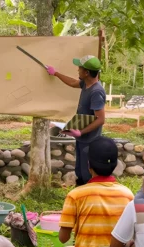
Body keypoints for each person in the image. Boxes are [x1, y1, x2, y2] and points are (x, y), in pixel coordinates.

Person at [37, 137, 134, 247]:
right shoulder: (127, 194)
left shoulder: (76, 195)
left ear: (89, 165)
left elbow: (63, 236)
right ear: (115, 165)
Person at [46, 55, 106, 186]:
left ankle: (88, 197)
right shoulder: (86, 83)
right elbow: (72, 82)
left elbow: (101, 119)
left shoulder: (96, 92)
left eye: (79, 68)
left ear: (87, 72)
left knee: (87, 174)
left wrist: (81, 132)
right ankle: (80, 196)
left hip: (89, 140)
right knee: (80, 171)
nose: (77, 70)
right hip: (82, 138)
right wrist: (55, 73)